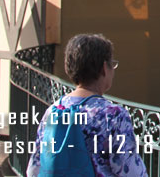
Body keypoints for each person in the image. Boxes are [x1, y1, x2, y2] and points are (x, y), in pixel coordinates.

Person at [26, 33, 148, 177]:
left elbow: (33, 169)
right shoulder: (113, 115)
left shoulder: (53, 111)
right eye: (112, 64)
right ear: (104, 68)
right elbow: (130, 171)